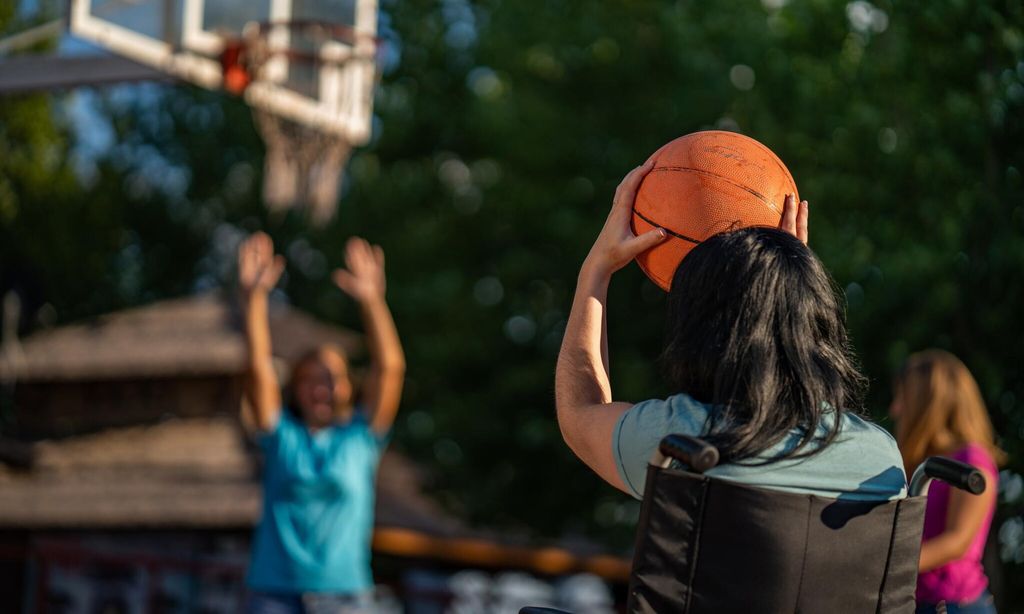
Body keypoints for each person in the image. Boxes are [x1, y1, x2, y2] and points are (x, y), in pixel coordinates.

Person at [555, 160, 906, 505]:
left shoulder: (680, 442)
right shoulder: (881, 460)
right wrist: (784, 273)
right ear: (818, 321)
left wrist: (595, 271)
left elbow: (579, 411)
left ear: (705, 331)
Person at [238, 232, 405, 614]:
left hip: (347, 599)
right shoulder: (281, 437)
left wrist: (372, 301)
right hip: (273, 596)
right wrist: (254, 300)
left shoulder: (361, 438)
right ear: (296, 389)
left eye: (331, 378)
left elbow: (390, 368)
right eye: (311, 379)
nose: (322, 388)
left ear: (348, 387)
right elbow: (258, 369)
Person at [891, 350, 1004, 614]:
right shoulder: (917, 463)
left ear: (928, 405)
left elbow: (958, 541)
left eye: (902, 398)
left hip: (954, 606)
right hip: (918, 602)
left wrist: (887, 563)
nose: (894, 408)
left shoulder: (972, 460)